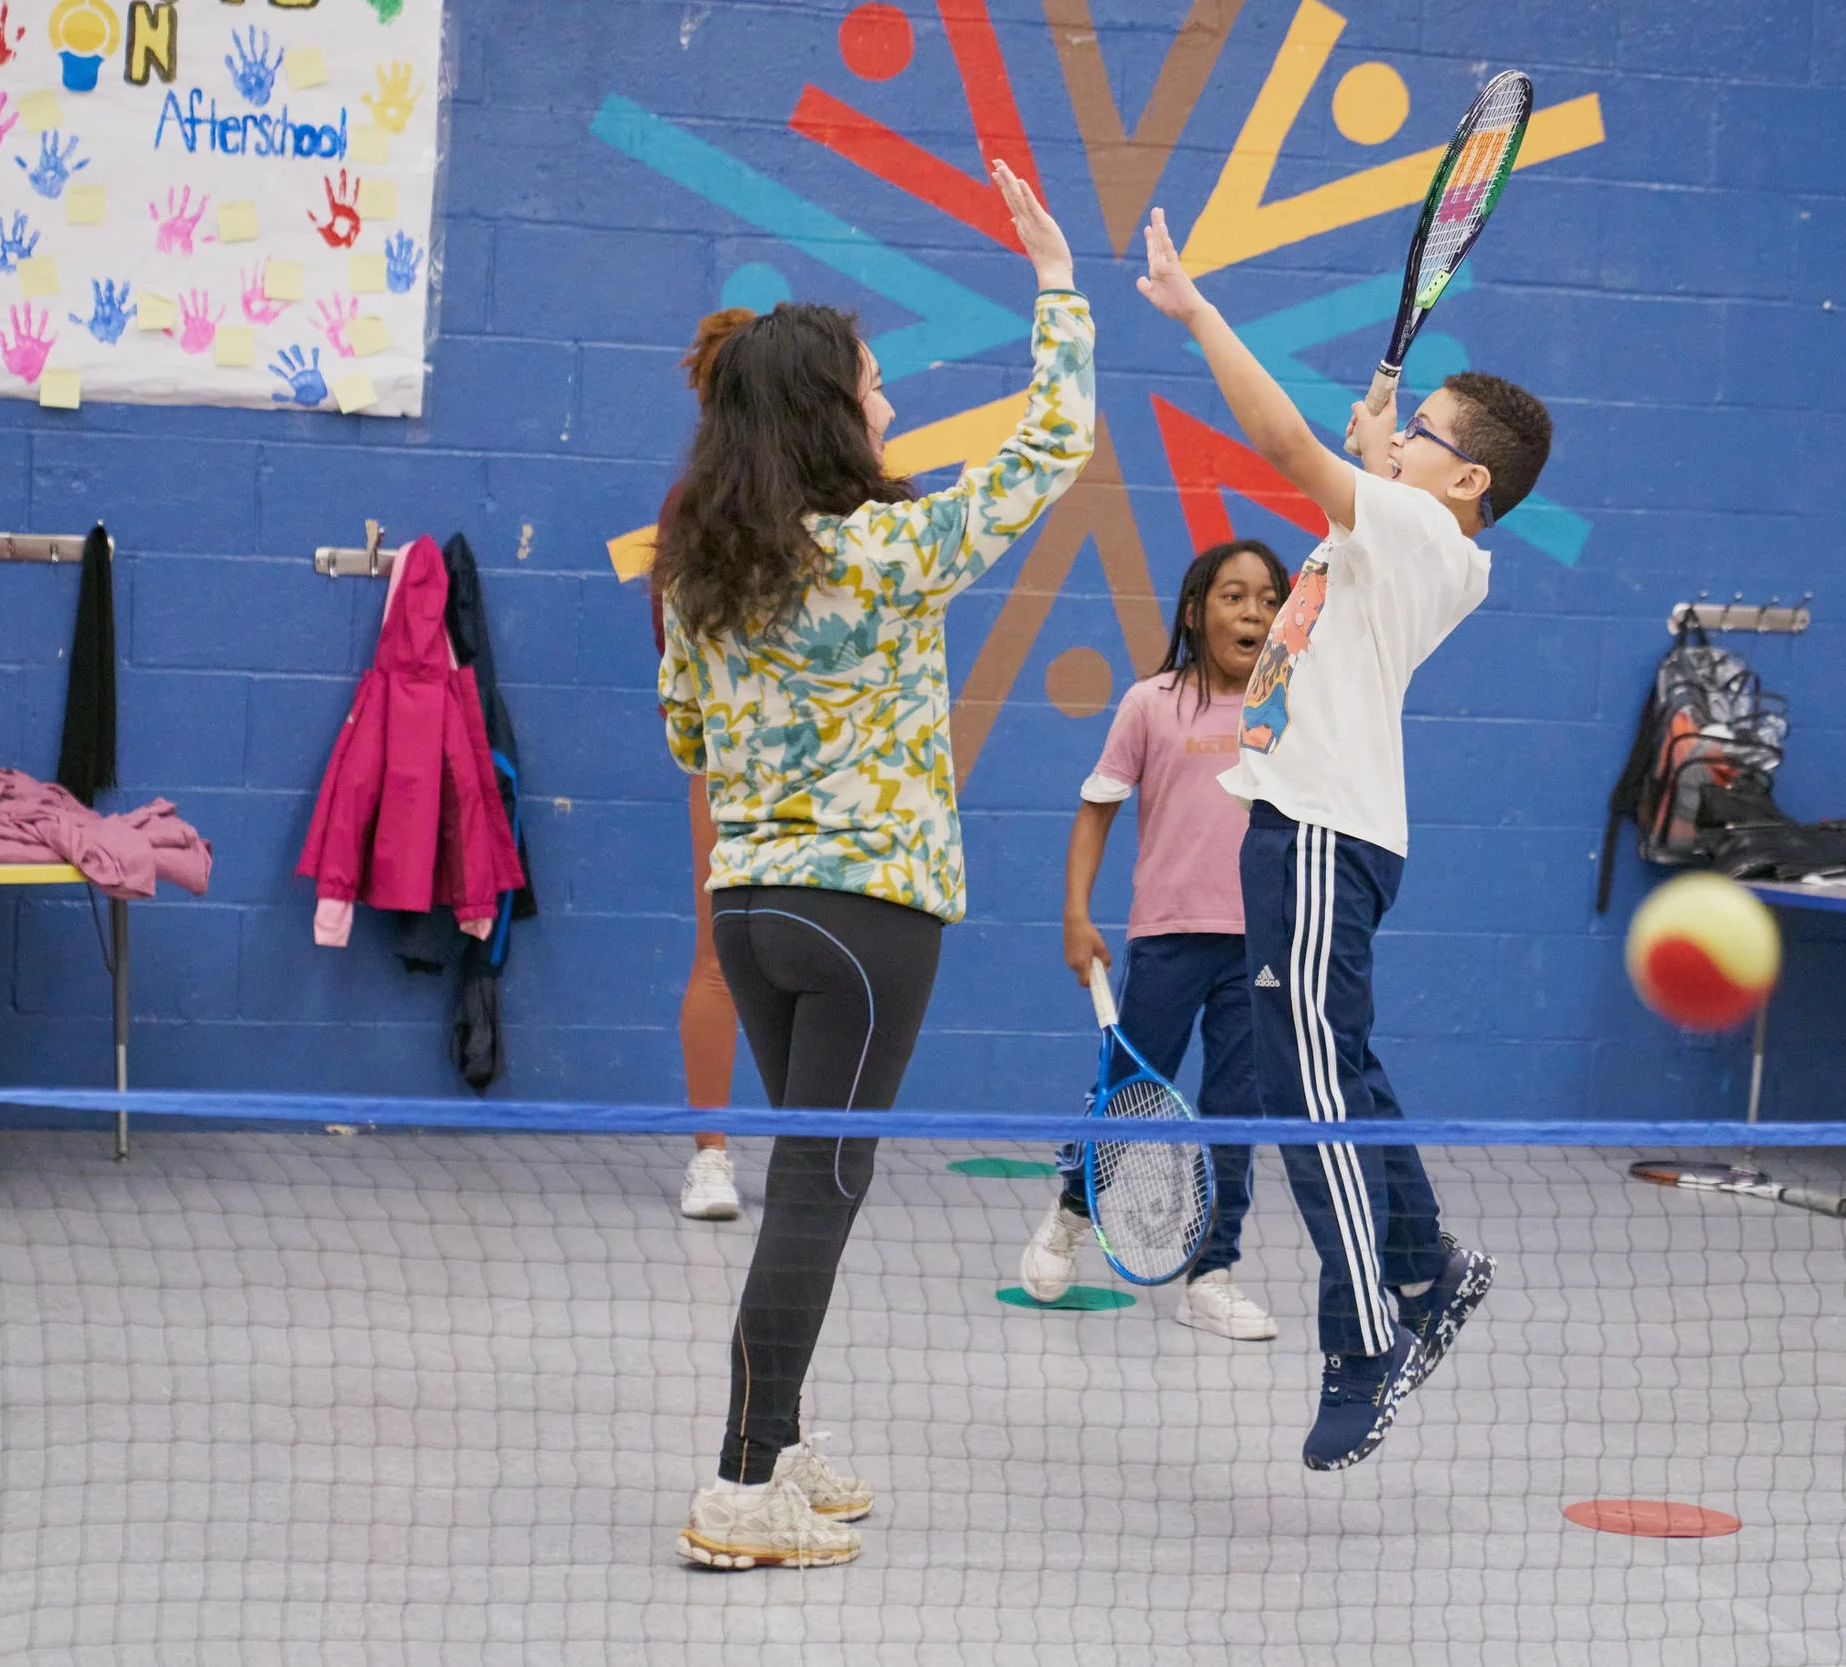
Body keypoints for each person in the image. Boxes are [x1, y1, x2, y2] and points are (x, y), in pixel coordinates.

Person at [658, 162, 1092, 1570]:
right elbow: (1052, 446)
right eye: (875, 383)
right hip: (867, 917)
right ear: (827, 412)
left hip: (750, 911)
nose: (889, 401)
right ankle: (739, 1485)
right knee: (818, 1189)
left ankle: (779, 1438)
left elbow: (684, 734)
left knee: (810, 1177)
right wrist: (1057, 282)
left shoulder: (696, 571)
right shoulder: (889, 550)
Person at [1136, 207, 1554, 1471]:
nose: (1400, 434)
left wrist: (1199, 312)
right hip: (1304, 830)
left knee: (1305, 1084)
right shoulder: (1404, 534)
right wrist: (1382, 447)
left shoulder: (1418, 533)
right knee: (1337, 1065)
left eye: (1425, 430)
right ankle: (1425, 1262)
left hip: (1321, 835)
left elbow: (1280, 442)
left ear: (1466, 481)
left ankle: (1367, 1334)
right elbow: (1361, 486)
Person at [1020, 540, 1293, 1338]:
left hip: (1260, 949)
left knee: (1235, 1112)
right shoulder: (1150, 703)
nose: (1253, 611)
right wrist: (1076, 915)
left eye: (1268, 598)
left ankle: (1212, 1273)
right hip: (1169, 939)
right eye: (1234, 596)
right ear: (1196, 611)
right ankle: (1071, 1215)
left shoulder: (1292, 709)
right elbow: (1095, 811)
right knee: (1130, 1097)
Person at [657, 306, 755, 1223]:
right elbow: (674, 661)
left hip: (837, 776)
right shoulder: (692, 510)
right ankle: (712, 1157)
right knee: (720, 957)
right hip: (728, 769)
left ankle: (816, 1151)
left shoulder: (848, 506)